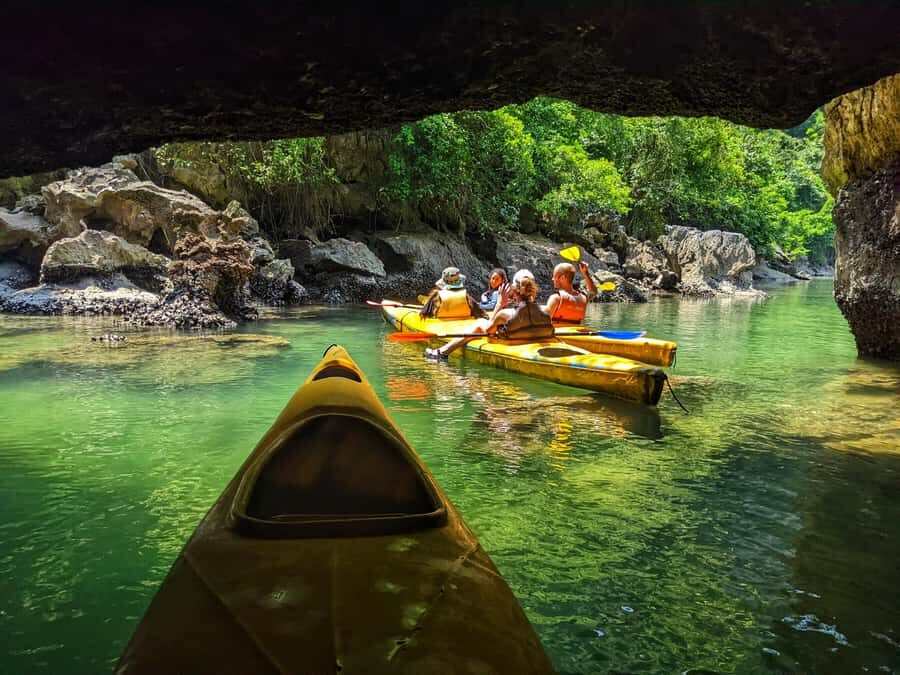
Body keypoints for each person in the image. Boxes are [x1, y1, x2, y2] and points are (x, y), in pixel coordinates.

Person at [425, 269, 554, 359]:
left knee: (481, 323)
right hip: (538, 338)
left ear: (513, 289)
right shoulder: (546, 310)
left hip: (512, 340)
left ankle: (443, 352)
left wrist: (500, 304)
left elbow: (488, 330)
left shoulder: (505, 314)